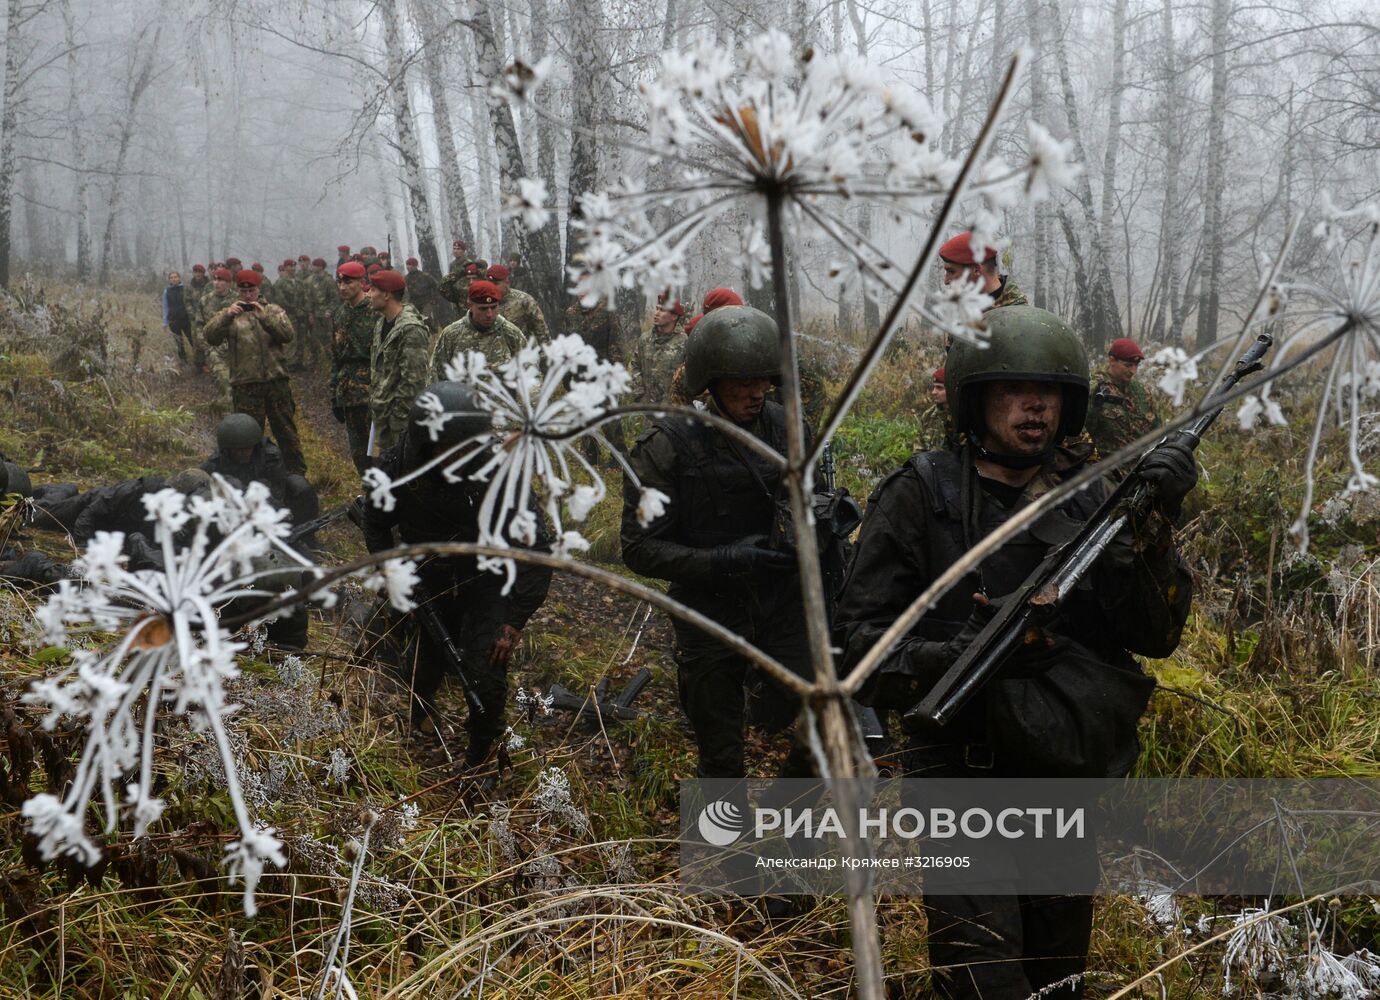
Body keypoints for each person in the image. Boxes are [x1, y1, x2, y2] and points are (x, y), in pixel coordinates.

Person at [834, 305, 1196, 1000]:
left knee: (1060, 977)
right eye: (1013, 391)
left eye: (1051, 392)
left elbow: (1155, 635)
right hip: (959, 774)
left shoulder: (1097, 497)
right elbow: (859, 650)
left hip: (1057, 774)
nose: (1036, 407)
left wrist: (1155, 527)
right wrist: (955, 655)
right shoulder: (921, 496)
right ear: (975, 397)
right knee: (981, 978)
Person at [621, 305, 815, 780]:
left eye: (764, 380)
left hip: (783, 602)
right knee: (721, 755)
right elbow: (639, 550)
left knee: (823, 724)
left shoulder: (789, 428)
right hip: (709, 609)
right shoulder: (666, 446)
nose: (755, 392)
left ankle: (792, 825)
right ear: (709, 381)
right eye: (740, 381)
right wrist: (725, 560)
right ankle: (723, 854)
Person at [361, 381, 552, 766]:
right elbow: (376, 522)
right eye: (445, 449)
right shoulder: (401, 462)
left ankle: (481, 752)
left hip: (487, 579)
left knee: (486, 672)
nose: (453, 458)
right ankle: (420, 716)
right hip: (426, 576)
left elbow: (538, 553)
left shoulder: (502, 472)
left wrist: (513, 623)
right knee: (426, 658)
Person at [201, 268, 307, 475]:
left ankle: (296, 476)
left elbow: (287, 335)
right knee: (246, 437)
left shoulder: (273, 310)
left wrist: (265, 318)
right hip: (245, 385)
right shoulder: (230, 314)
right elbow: (210, 337)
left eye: (252, 290)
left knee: (286, 432)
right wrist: (226, 316)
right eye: (243, 291)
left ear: (259, 289)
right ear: (238, 291)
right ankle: (250, 478)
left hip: (276, 383)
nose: (248, 295)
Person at [202, 413, 319, 526]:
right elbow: (199, 488)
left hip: (270, 504)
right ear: (227, 449)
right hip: (235, 512)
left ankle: (306, 537)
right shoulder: (216, 463)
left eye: (247, 448)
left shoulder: (270, 456)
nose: (242, 453)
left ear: (255, 445)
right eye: (237, 450)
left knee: (299, 485)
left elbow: (277, 492)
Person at [367, 269, 432, 454]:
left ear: (386, 294)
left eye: (372, 290)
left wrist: (399, 419)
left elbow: (414, 381)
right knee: (380, 470)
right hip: (381, 415)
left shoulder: (410, 329)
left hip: (399, 422)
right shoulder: (382, 323)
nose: (368, 294)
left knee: (399, 472)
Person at [564, 293, 628, 456]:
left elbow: (616, 344)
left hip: (602, 369)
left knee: (608, 414)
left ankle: (619, 454)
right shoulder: (571, 313)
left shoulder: (606, 311)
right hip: (579, 371)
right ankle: (590, 452)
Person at [1084, 337, 1166, 460]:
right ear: (1112, 360)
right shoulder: (1094, 389)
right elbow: (1080, 433)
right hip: (1105, 470)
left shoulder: (1142, 393)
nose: (1133, 371)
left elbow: (1158, 431)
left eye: (1136, 365)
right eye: (1128, 365)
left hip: (1142, 468)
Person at [428, 279, 525, 381]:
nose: (489, 314)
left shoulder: (511, 334)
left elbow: (530, 378)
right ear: (470, 305)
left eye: (493, 307)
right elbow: (435, 377)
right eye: (483, 309)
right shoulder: (451, 335)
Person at [332, 261, 376, 473]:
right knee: (359, 455)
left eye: (348, 282)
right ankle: (369, 497)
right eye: (339, 282)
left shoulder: (375, 310)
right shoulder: (340, 313)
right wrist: (334, 393)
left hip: (371, 393)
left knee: (378, 452)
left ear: (362, 282)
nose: (342, 287)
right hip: (349, 393)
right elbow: (336, 356)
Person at [938, 231, 1028, 310]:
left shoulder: (1021, 317)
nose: (946, 281)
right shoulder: (960, 312)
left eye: (951, 271)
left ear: (977, 270)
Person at [632, 293, 686, 405]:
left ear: (674, 316)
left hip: (672, 411)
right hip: (647, 408)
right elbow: (635, 365)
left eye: (662, 310)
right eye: (657, 309)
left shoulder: (684, 342)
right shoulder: (645, 340)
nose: (656, 313)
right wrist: (639, 395)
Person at [489, 264, 547, 343]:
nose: (492, 287)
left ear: (506, 282)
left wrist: (546, 353)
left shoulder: (524, 300)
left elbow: (541, 330)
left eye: (496, 284)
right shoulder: (483, 302)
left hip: (521, 352)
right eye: (489, 283)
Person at [403, 256, 448, 329]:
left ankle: (434, 332)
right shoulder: (405, 278)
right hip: (413, 303)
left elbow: (436, 286)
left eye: (410, 265)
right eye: (407, 265)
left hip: (426, 302)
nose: (408, 267)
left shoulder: (425, 276)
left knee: (426, 318)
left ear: (415, 266)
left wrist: (434, 299)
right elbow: (404, 292)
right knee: (414, 321)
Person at [162, 271, 195, 365]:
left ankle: (199, 359)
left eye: (175, 277)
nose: (174, 279)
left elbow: (192, 302)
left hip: (186, 319)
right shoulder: (166, 291)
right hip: (173, 320)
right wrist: (165, 322)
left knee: (192, 338)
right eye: (171, 277)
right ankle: (183, 361)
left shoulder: (185, 288)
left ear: (179, 278)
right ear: (169, 280)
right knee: (178, 341)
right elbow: (165, 306)